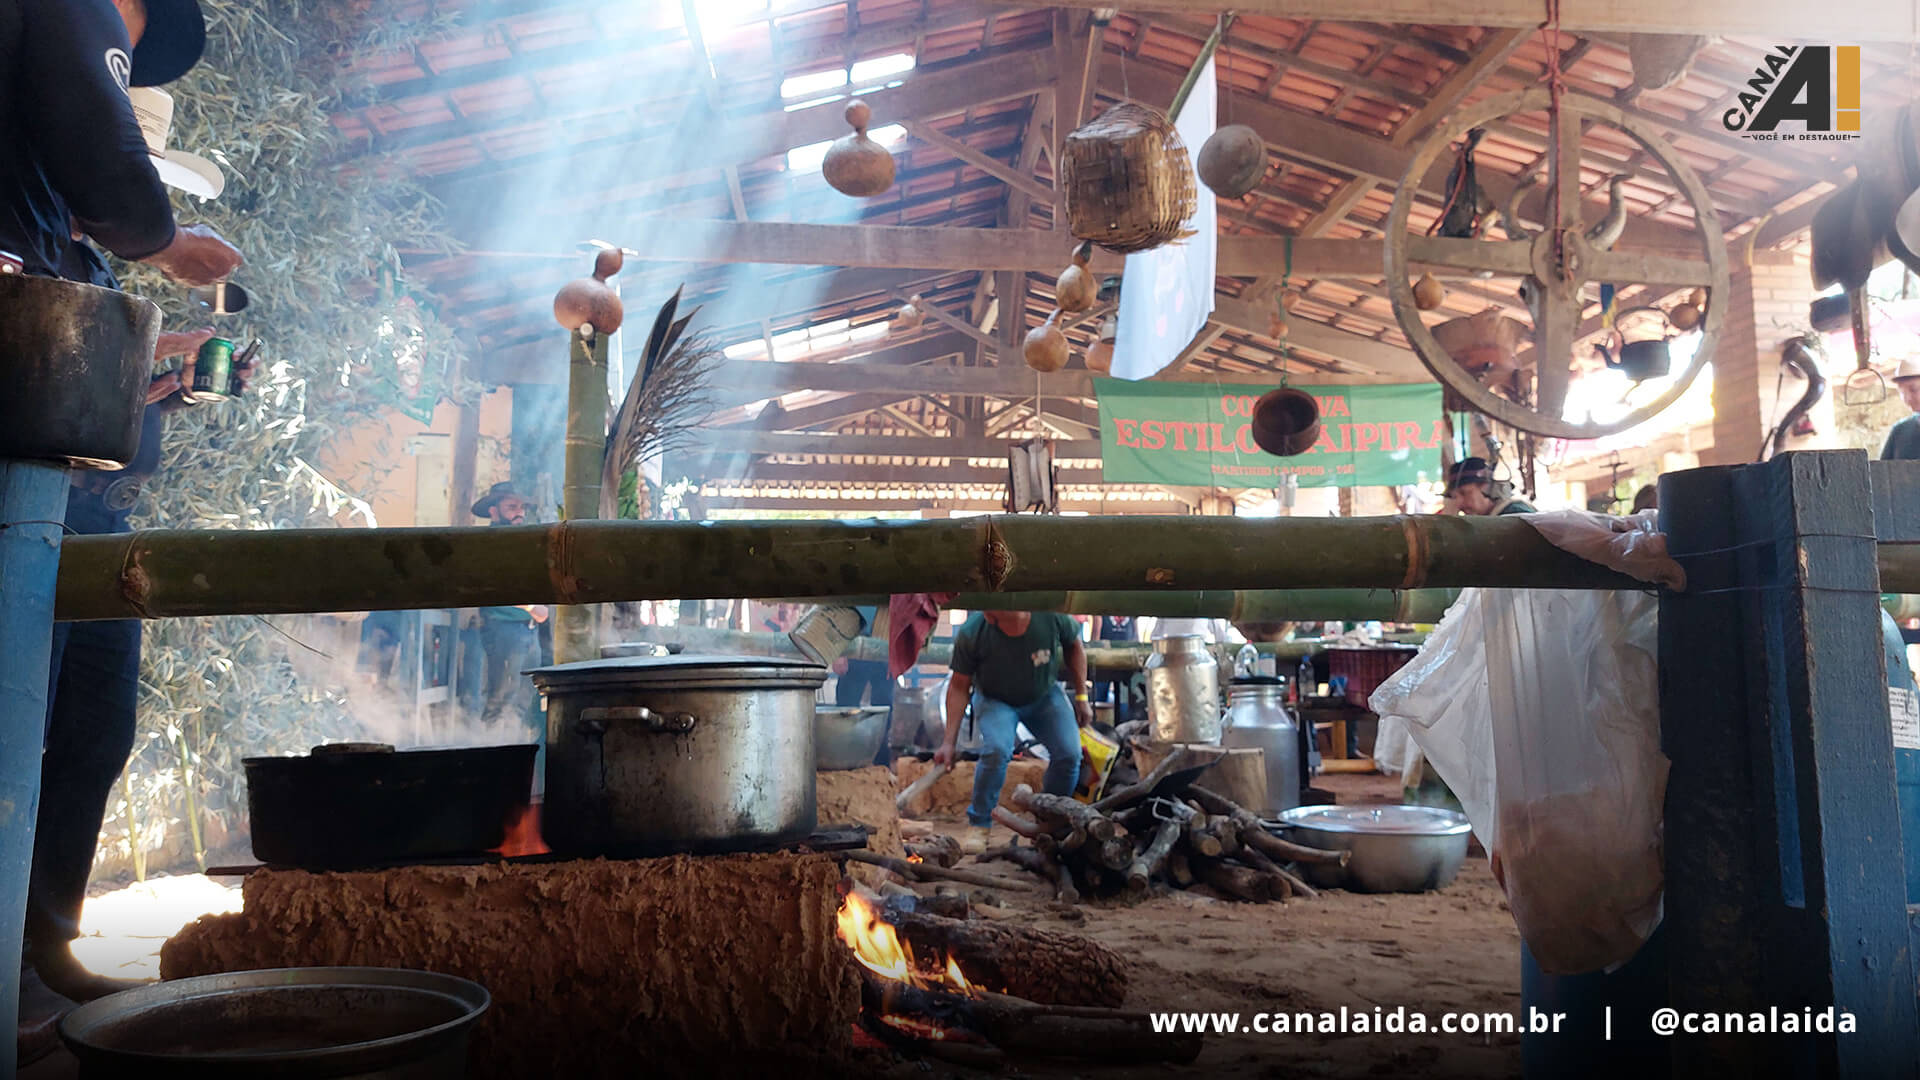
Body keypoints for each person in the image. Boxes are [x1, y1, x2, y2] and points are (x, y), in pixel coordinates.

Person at [13, 0, 245, 1040]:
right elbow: (108, 153)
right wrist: (163, 242)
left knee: (95, 724)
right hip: (31, 506)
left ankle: (43, 941)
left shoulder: (70, 257)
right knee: (17, 722)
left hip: (88, 508)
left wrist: (146, 385)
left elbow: (84, 414)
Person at [935, 611, 1092, 852]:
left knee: (1070, 754)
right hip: (995, 700)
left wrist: (1082, 696)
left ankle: (1049, 821)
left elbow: (1074, 645)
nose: (987, 612)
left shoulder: (1050, 614)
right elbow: (958, 686)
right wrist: (948, 742)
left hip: (1044, 695)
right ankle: (979, 823)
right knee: (997, 749)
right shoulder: (973, 631)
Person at [472, 483, 548, 730]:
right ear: (494, 512)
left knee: (523, 699)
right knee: (500, 696)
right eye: (511, 507)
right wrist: (531, 607)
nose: (520, 512)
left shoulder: (520, 541)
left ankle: (514, 746)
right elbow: (493, 583)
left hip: (528, 629)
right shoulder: (489, 543)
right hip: (502, 628)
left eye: (521, 507)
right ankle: (488, 748)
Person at [1446, 456, 1536, 516]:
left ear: (1487, 488)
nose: (1459, 503)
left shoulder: (1516, 513)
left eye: (1464, 493)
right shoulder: (1482, 522)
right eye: (1454, 497)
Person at [1092, 615, 1136, 725]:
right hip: (1110, 660)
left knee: (1121, 703)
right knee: (1101, 701)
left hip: (1116, 661)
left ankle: (1104, 728)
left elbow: (1135, 633)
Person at [1882, 357, 1920, 460]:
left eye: (1913, 389)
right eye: (1902, 392)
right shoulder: (1899, 430)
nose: (1907, 398)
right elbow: (1882, 470)